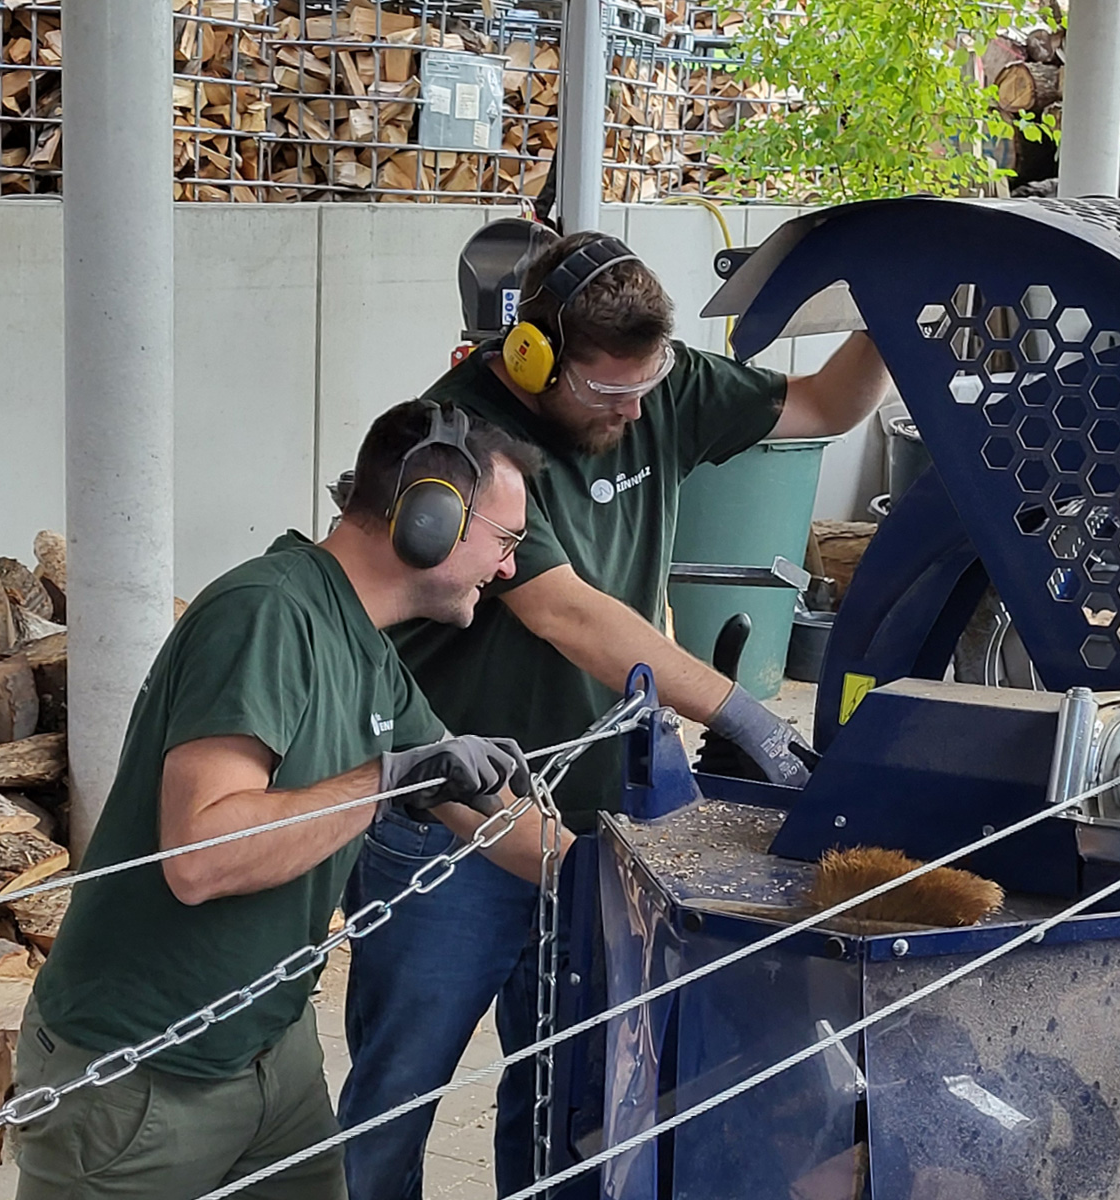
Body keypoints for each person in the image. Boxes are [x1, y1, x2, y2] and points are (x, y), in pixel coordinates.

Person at [340, 231, 893, 1200]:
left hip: (591, 827)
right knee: (397, 1093)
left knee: (560, 1097)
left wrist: (897, 309)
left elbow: (826, 406)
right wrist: (741, 712)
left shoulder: (658, 391)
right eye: (608, 394)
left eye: (647, 384)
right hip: (448, 825)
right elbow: (566, 615)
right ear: (532, 356)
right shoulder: (459, 438)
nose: (634, 410)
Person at [13, 400, 569, 1200]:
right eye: (506, 541)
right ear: (429, 518)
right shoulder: (266, 614)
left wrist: (623, 881)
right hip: (138, 1082)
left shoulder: (366, 649)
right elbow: (199, 857)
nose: (509, 568)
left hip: (274, 1056)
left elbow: (490, 815)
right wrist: (387, 780)